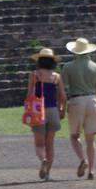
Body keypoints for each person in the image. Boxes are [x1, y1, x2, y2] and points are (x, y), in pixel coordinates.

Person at [62, 37, 96, 180]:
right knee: (91, 139)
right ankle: (92, 170)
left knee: (75, 136)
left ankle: (83, 159)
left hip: (76, 100)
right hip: (93, 100)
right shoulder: (95, 67)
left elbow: (62, 88)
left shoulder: (68, 67)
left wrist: (62, 106)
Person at [27, 47, 68, 180]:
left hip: (38, 111)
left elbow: (29, 95)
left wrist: (28, 110)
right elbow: (63, 97)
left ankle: (43, 160)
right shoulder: (56, 76)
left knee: (39, 144)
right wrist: (62, 110)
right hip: (53, 110)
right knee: (50, 144)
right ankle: (48, 174)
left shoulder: (34, 75)